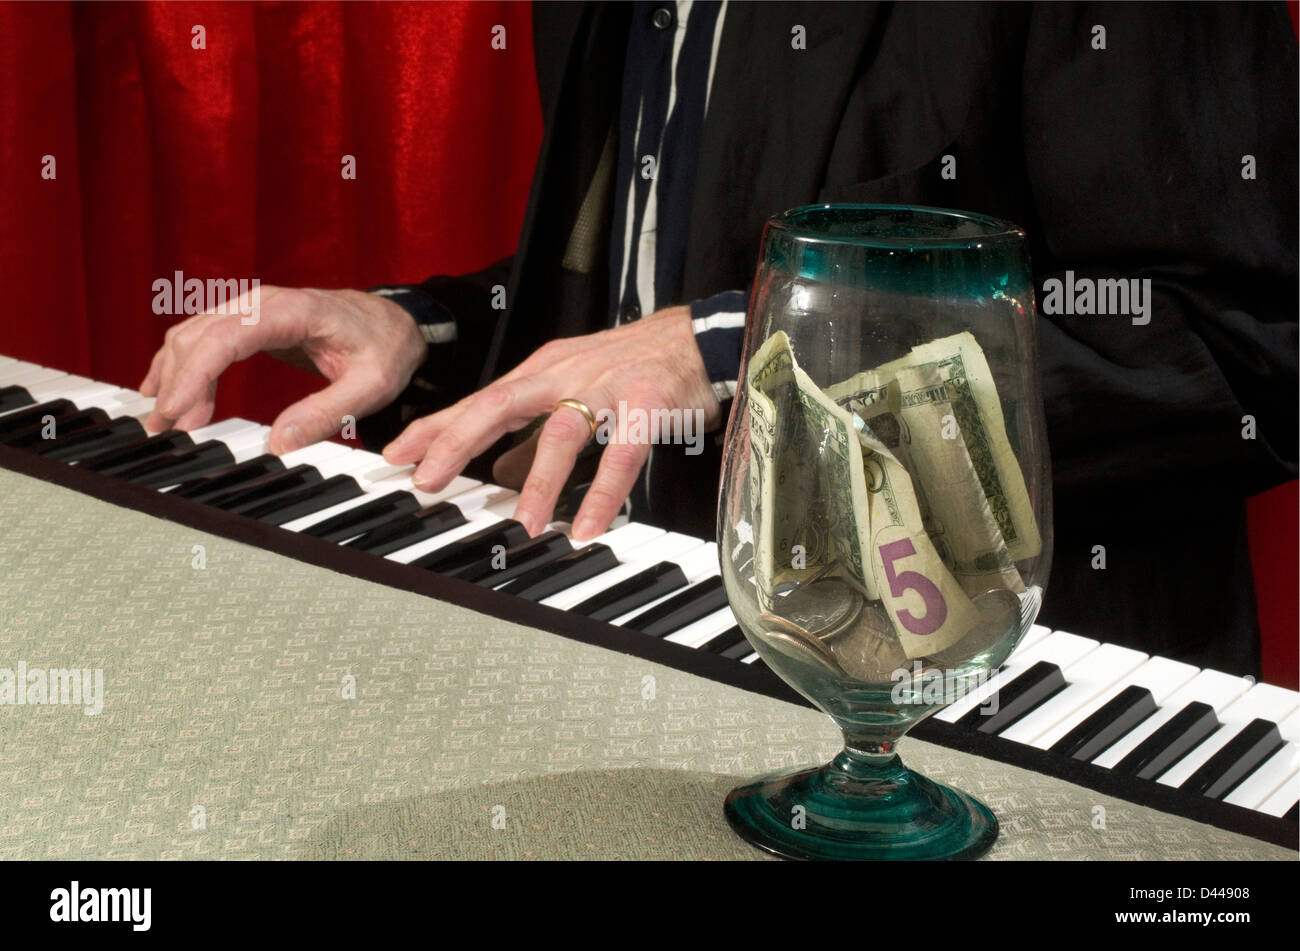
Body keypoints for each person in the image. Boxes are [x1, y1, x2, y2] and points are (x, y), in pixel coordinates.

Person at [140, 2, 1298, 676]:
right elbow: (633, 318)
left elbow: (1243, 347)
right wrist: (411, 323)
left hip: (1015, 707)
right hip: (652, 638)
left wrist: (740, 349)